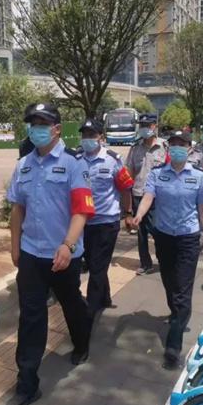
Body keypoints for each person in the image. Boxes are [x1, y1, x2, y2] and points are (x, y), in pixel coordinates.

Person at [5, 103, 94, 405]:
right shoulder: (24, 165)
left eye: (43, 124)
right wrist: (15, 246)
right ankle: (27, 385)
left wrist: (68, 245)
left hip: (64, 254)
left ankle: (82, 341)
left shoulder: (73, 164)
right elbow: (17, 208)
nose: (37, 129)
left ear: (57, 129)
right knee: (31, 317)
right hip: (32, 253)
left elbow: (82, 210)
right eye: (33, 124)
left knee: (71, 303)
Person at [131, 130, 203, 370]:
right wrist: (138, 215)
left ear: (189, 149)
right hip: (164, 236)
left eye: (182, 144)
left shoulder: (198, 176)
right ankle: (177, 314)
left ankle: (173, 344)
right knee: (169, 283)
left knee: (183, 289)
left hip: (188, 238)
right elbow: (148, 197)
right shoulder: (158, 174)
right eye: (174, 144)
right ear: (168, 148)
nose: (177, 147)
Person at [79, 119, 134, 315]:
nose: (87, 139)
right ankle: (105, 296)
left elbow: (126, 188)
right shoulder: (76, 158)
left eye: (91, 135)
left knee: (97, 266)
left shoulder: (113, 160)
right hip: (82, 222)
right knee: (93, 262)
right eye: (84, 135)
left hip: (106, 223)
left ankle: (91, 309)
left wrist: (128, 213)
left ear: (100, 137)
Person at [126, 114, 168, 275]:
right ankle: (145, 263)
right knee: (141, 232)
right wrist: (128, 203)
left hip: (158, 196)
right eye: (141, 125)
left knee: (158, 230)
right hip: (138, 193)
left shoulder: (164, 146)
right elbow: (129, 172)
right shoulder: (135, 148)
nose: (144, 128)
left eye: (147, 125)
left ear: (154, 126)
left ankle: (164, 259)